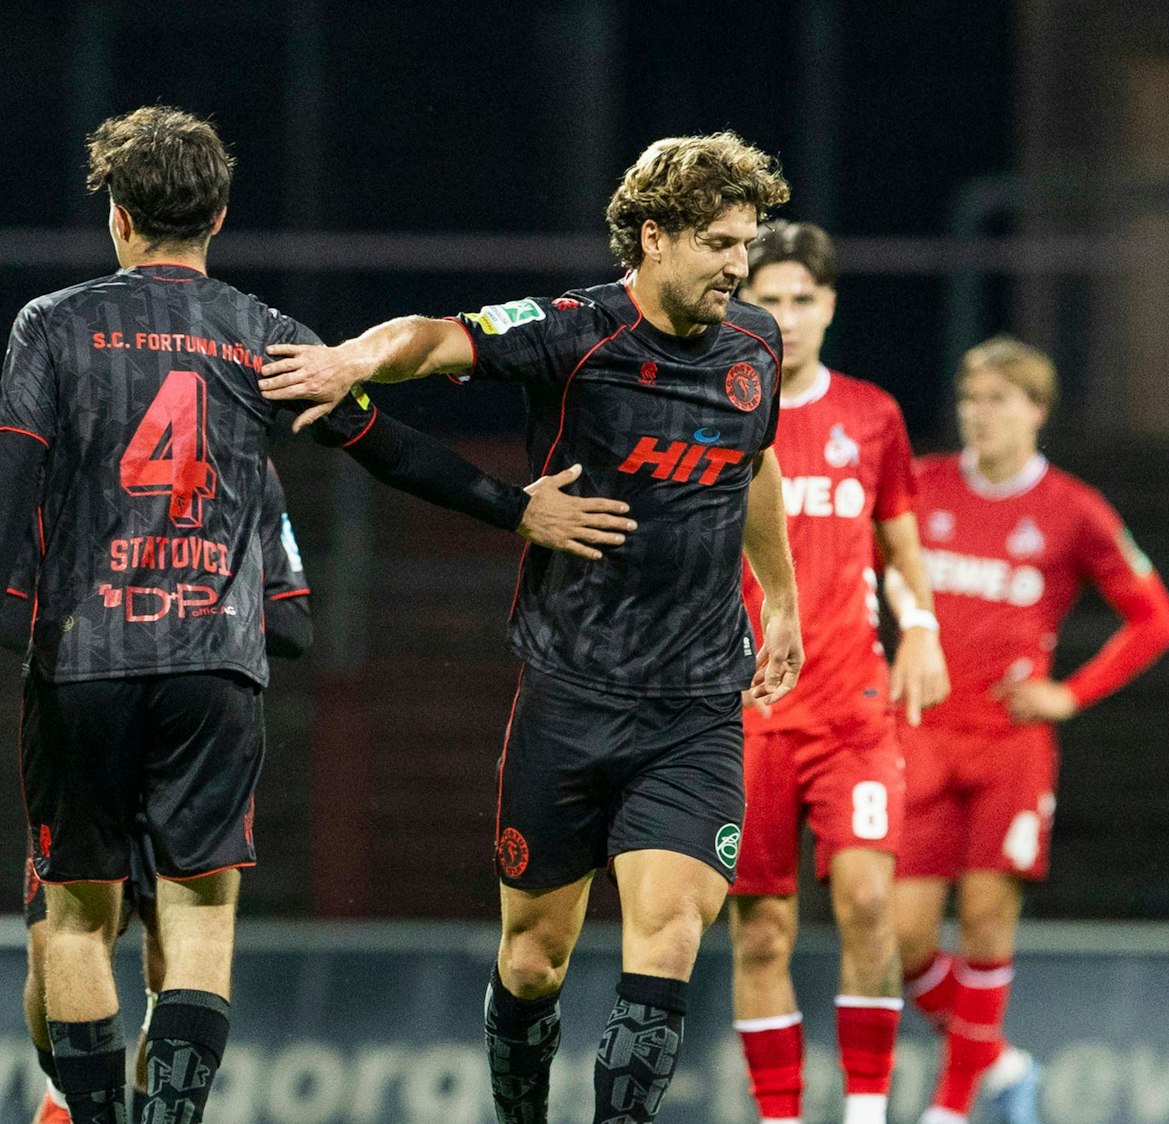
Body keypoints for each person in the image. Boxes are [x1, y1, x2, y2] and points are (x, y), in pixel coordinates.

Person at [0, 105, 631, 1124]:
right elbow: (387, 447)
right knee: (199, 912)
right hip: (212, 665)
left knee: (76, 917)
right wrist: (513, 506)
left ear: (119, 218)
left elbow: (11, 481)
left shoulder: (54, 323)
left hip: (81, 656)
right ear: (218, 215)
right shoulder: (261, 335)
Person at [257, 131, 802, 1124]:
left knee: (669, 937)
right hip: (571, 695)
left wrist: (786, 598)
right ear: (652, 236)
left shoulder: (756, 345)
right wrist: (350, 359)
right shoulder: (574, 331)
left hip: (694, 705)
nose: (739, 263)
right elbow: (433, 337)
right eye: (720, 242)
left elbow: (755, 461)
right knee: (533, 959)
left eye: (746, 244)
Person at [886, 337, 1169, 1124]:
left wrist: (1070, 694)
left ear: (1037, 411)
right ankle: (1006, 1065)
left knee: (985, 920)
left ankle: (951, 1107)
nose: (979, 414)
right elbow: (868, 562)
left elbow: (1155, 620)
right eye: (969, 398)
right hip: (919, 733)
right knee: (903, 935)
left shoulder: (1072, 509)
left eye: (999, 400)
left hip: (1009, 745)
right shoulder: (922, 485)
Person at [723, 222, 949, 1124]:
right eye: (768, 300)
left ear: (828, 306)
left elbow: (898, 533)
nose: (786, 315)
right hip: (743, 713)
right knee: (762, 929)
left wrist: (923, 624)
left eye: (801, 299)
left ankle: (863, 1113)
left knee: (866, 906)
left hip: (852, 706)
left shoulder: (872, 415)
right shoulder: (723, 405)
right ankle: (780, 1117)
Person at [18, 461, 311, 1124]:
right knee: (55, 937)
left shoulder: (247, 470)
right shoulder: (76, 455)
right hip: (95, 709)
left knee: (170, 947)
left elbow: (293, 621)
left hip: (176, 726)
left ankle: (153, 1112)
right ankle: (65, 1089)